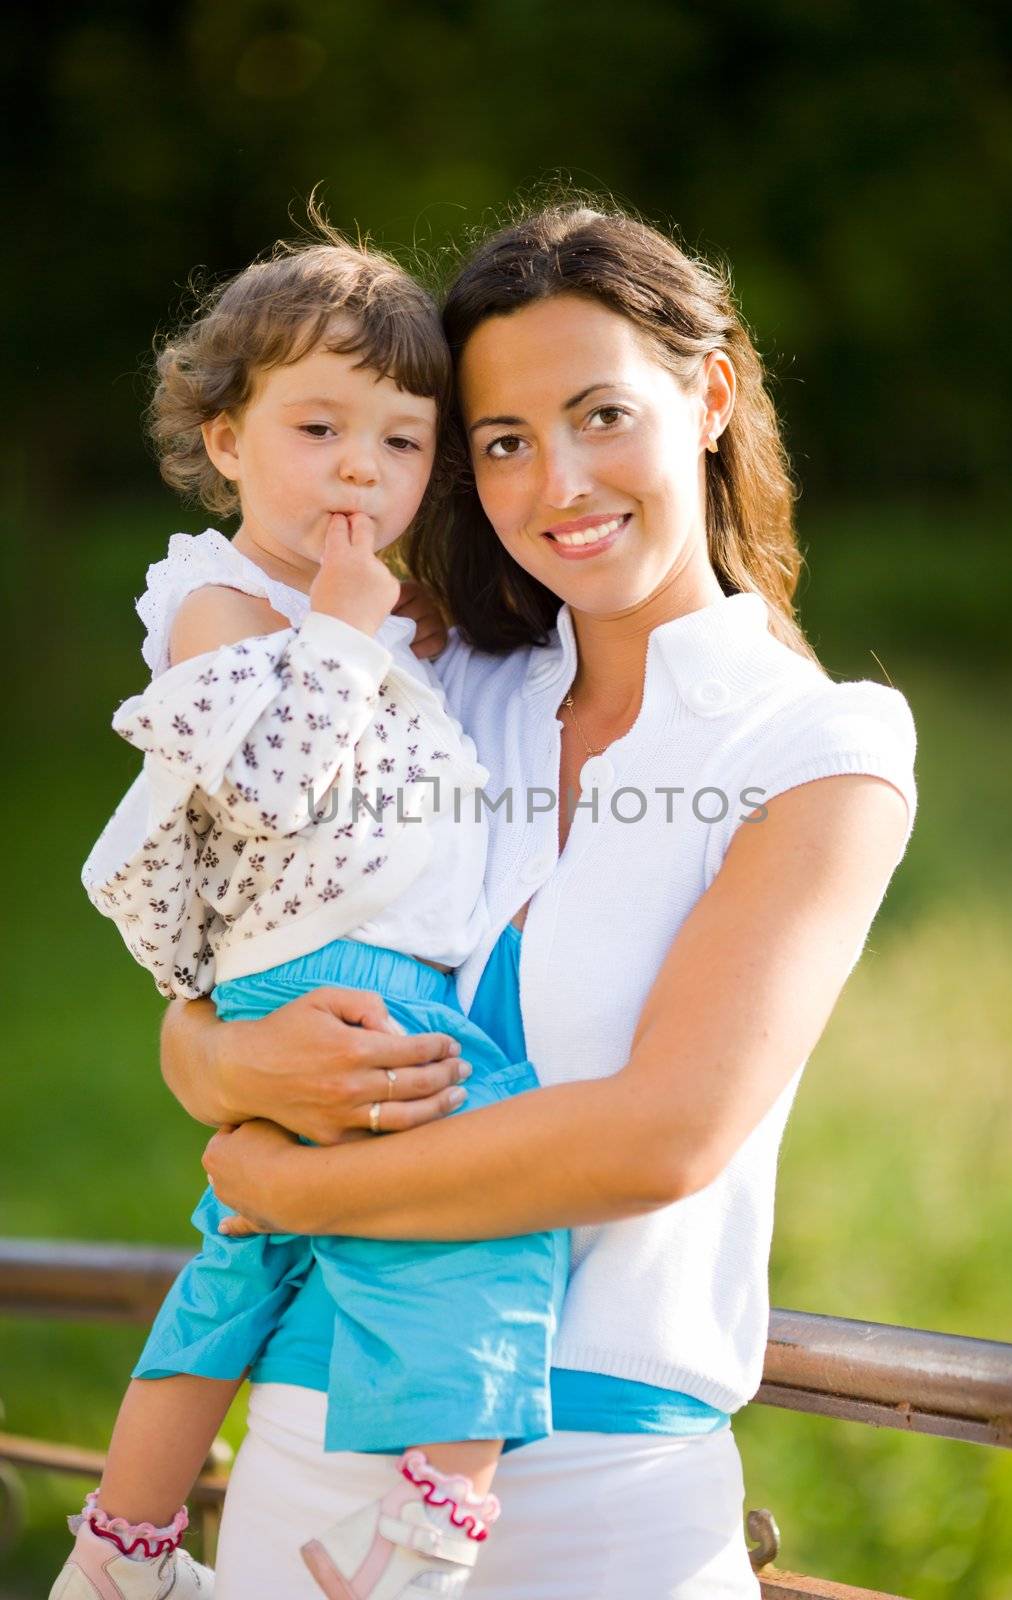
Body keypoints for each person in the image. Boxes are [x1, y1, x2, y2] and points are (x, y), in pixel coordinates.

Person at [162, 203, 917, 1600]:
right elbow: (215, 989)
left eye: (598, 415)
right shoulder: (425, 691)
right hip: (298, 1461)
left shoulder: (820, 747)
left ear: (710, 394)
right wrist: (216, 1060)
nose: (557, 481)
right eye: (504, 442)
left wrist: (286, 1178)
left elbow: (662, 1136)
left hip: (604, 1504)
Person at [57, 222, 573, 1600]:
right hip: (340, 975)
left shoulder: (389, 617)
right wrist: (346, 626)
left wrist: (378, 627)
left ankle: (122, 1552)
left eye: (402, 443)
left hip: (337, 970)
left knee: (241, 1267)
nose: (361, 466)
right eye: (319, 427)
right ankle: (430, 1525)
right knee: (502, 1194)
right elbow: (276, 794)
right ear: (224, 440)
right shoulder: (218, 606)